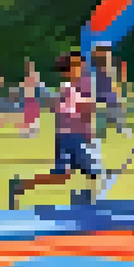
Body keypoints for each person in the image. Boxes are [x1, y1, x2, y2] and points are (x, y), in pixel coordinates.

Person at [9, 51, 102, 208]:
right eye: (73, 65)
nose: (78, 67)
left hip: (81, 136)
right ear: (67, 70)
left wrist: (90, 128)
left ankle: (84, 202)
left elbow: (88, 110)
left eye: (80, 64)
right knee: (62, 175)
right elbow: (60, 107)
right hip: (66, 136)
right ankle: (20, 186)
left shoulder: (87, 83)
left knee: (92, 172)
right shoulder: (66, 87)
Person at [88, 42, 128, 137]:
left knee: (117, 102)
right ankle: (96, 129)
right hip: (94, 93)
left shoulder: (112, 64)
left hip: (108, 93)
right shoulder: (91, 65)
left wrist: (118, 89)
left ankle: (119, 126)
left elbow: (118, 80)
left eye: (105, 51)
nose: (103, 53)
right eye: (101, 51)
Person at [19, 59, 43, 137]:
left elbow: (35, 84)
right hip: (27, 97)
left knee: (32, 114)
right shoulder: (28, 76)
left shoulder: (35, 75)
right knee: (27, 114)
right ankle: (28, 129)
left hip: (33, 97)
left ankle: (32, 130)